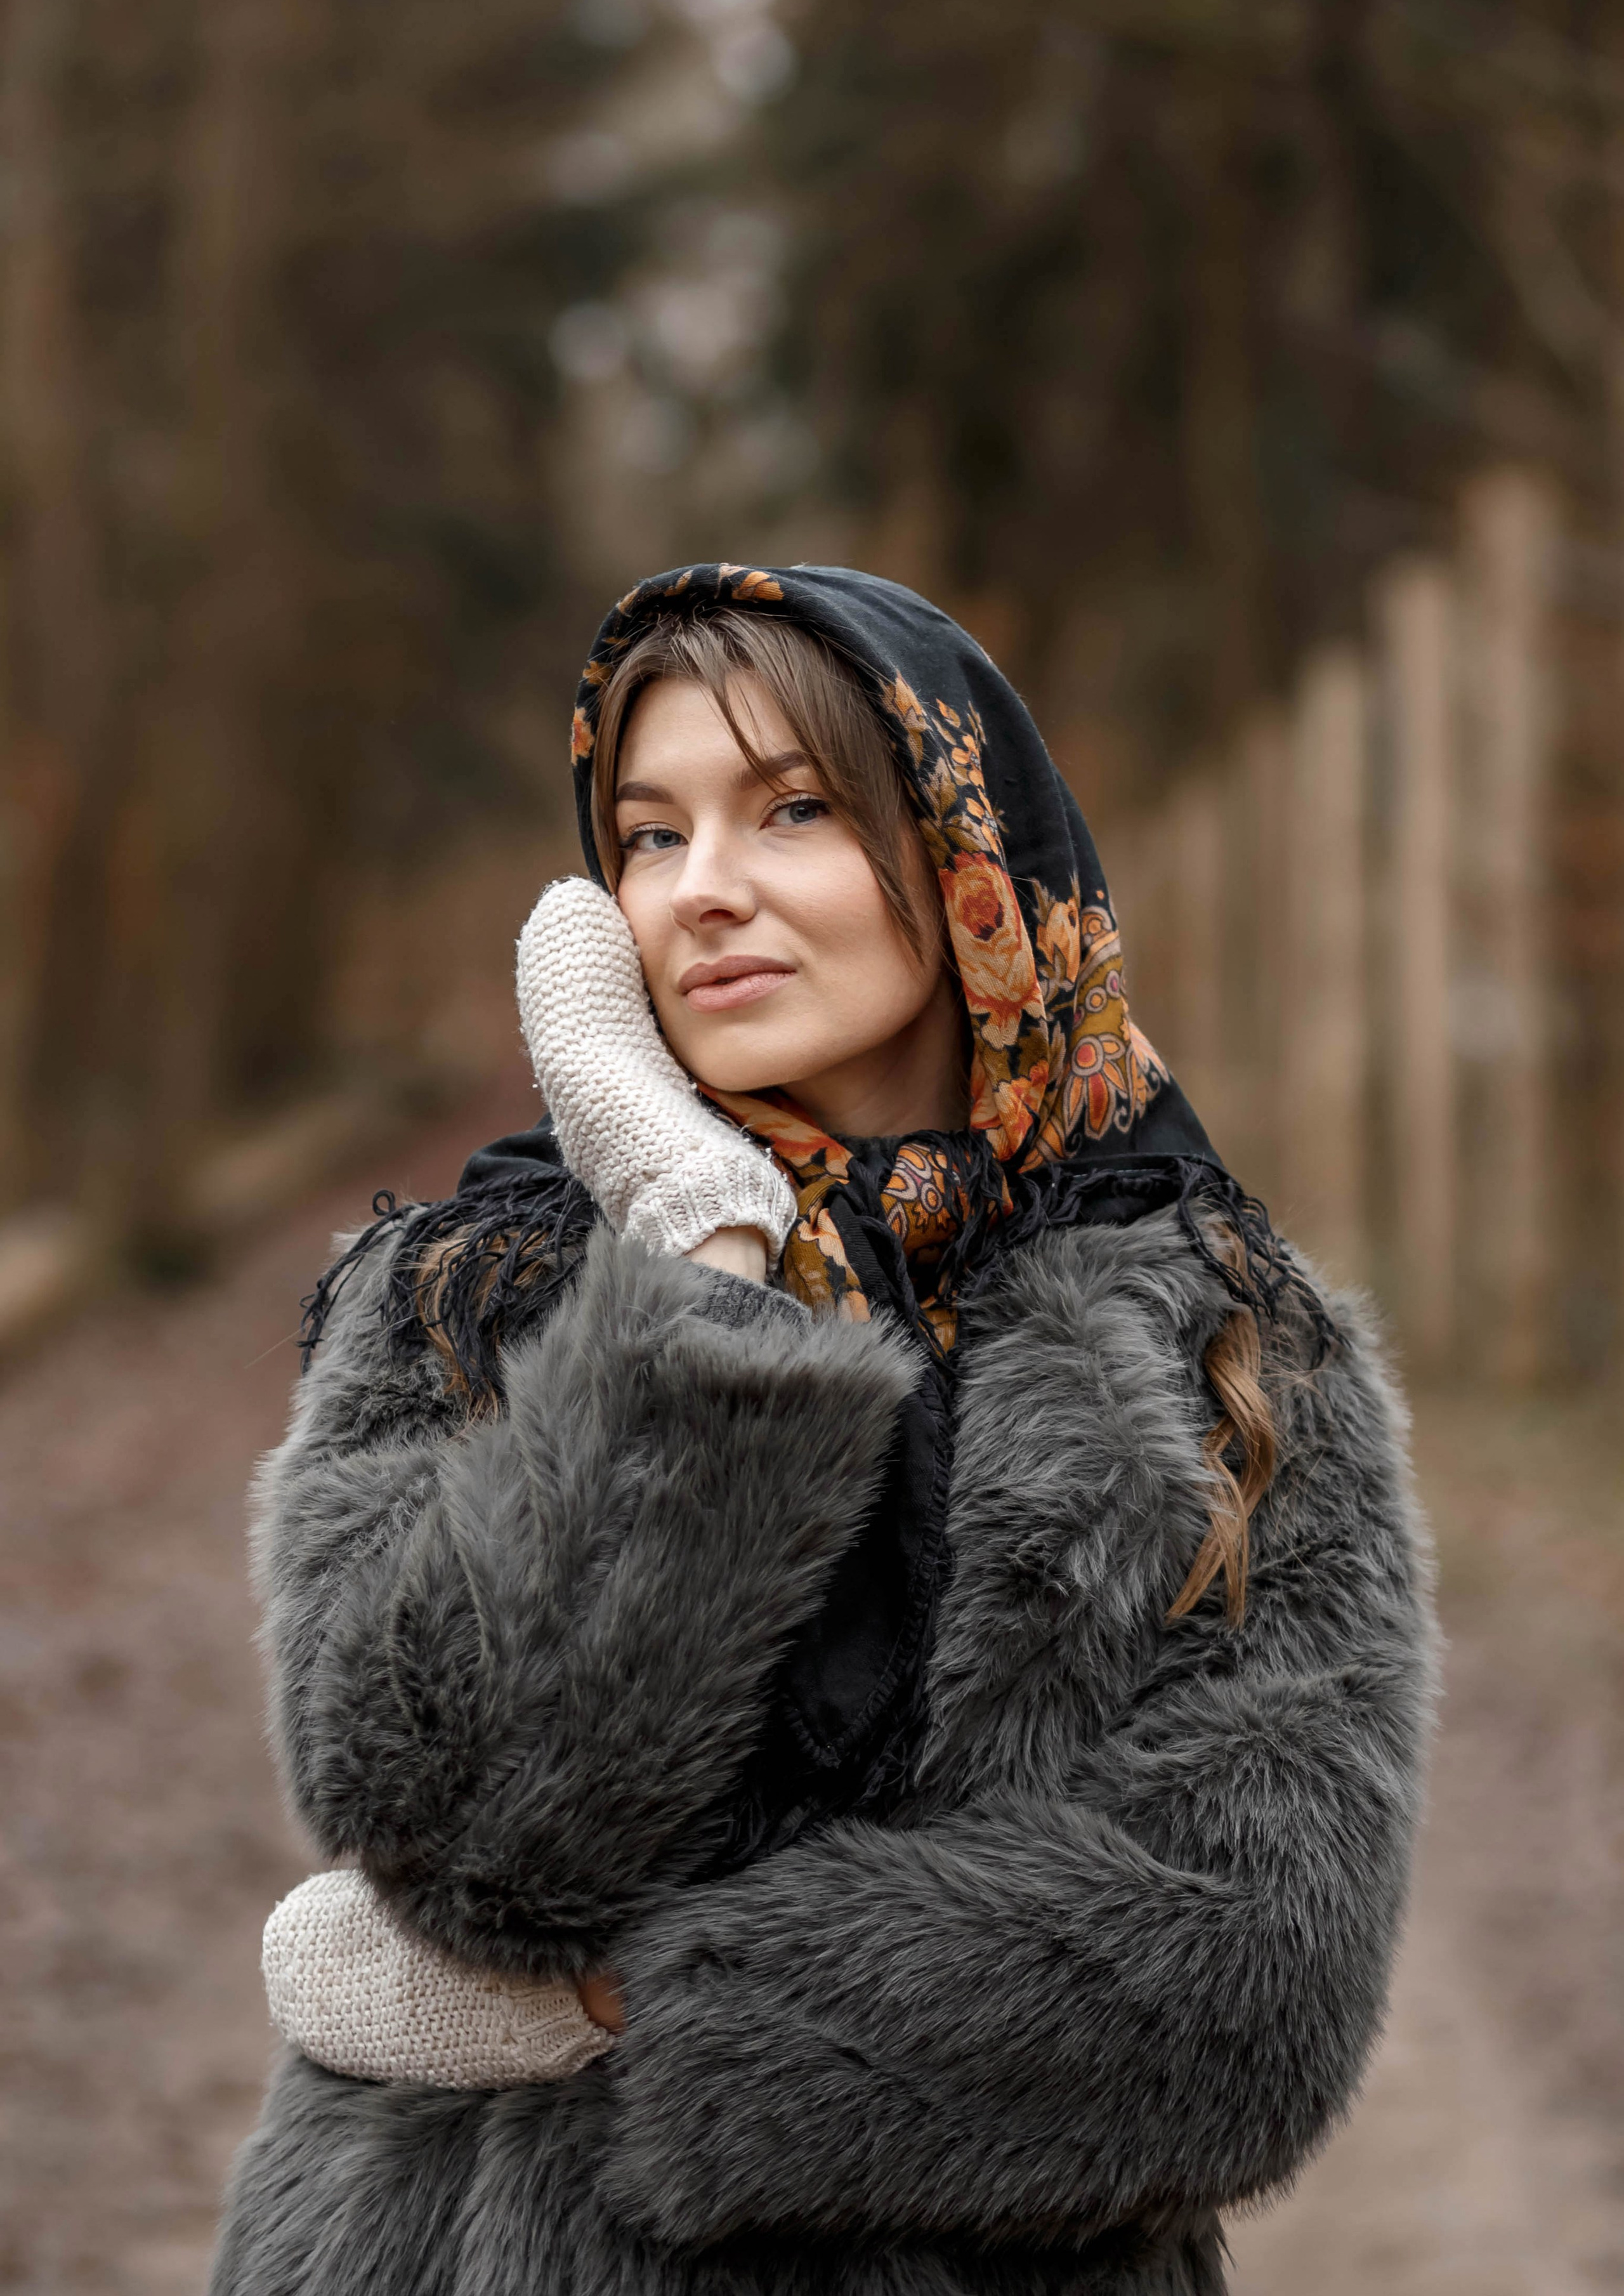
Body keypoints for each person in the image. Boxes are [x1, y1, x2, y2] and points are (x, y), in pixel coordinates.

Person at [209, 562, 1436, 2296]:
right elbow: (470, 1841)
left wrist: (609, 2011)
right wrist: (702, 1271)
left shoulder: (1226, 1338)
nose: (704, 891)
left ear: (962, 850)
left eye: (790, 809)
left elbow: (1245, 1994)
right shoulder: (468, 1296)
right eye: (647, 836)